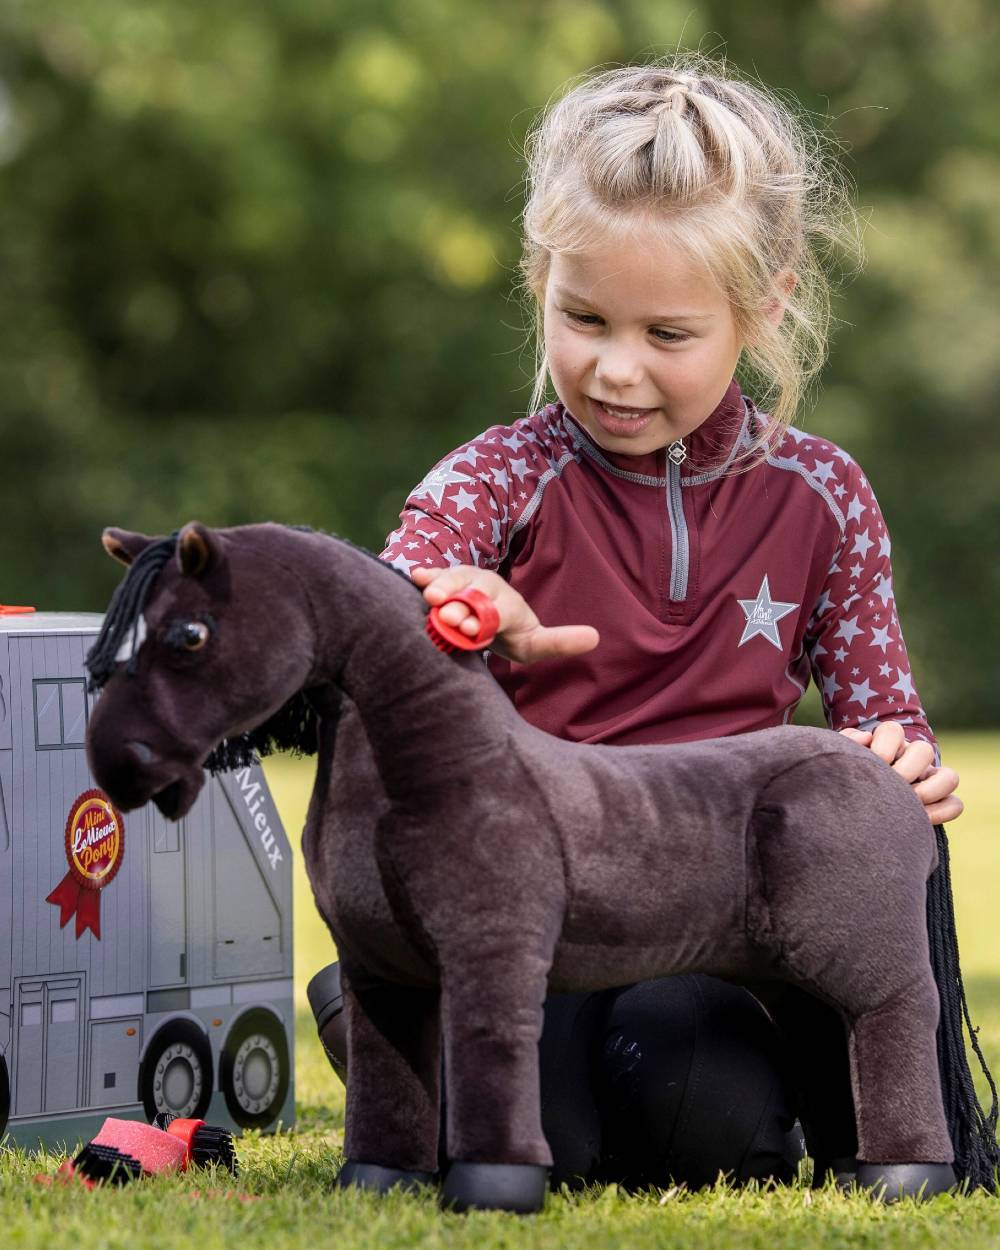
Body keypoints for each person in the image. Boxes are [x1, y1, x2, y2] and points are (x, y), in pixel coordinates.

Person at [311, 56, 963, 1192]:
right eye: (583, 317)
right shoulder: (495, 477)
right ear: (539, 280)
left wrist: (899, 759)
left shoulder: (825, 495)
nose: (615, 369)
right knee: (532, 1138)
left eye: (667, 333)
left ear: (763, 306)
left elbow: (883, 722)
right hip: (525, 917)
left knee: (697, 1122)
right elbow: (371, 624)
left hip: (716, 917)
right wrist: (457, 611)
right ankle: (384, 1012)